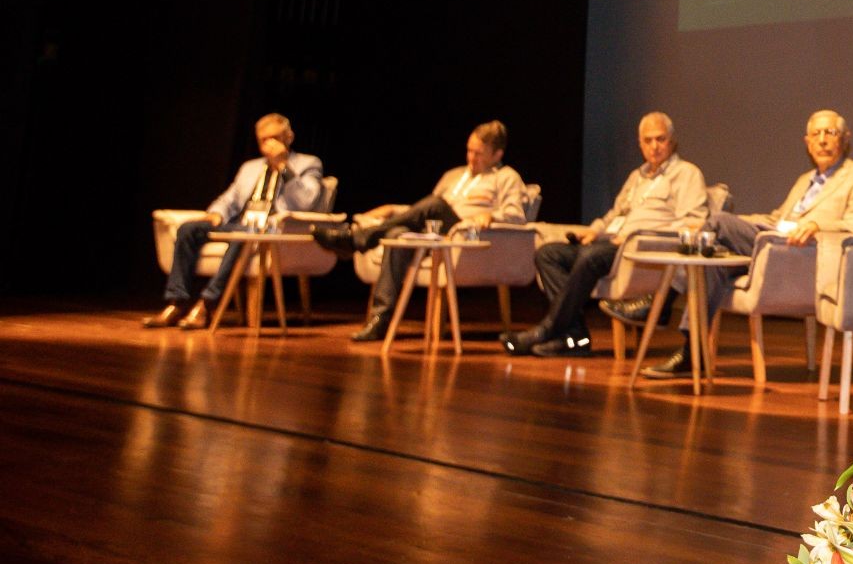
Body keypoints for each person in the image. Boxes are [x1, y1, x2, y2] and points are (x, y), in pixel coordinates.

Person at [624, 108, 853, 379]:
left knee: (717, 222)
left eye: (830, 133)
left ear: (845, 138)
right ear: (807, 142)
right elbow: (775, 219)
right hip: (775, 245)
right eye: (816, 134)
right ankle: (692, 351)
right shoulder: (805, 180)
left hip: (804, 254)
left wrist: (818, 225)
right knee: (712, 263)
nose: (823, 140)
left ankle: (661, 302)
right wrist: (740, 222)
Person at [502, 111, 706, 358]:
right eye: (648, 140)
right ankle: (575, 334)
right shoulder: (637, 177)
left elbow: (693, 222)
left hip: (637, 248)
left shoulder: (686, 174)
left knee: (590, 257)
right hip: (611, 243)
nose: (654, 146)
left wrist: (636, 235)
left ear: (672, 142)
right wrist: (596, 230)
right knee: (548, 254)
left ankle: (546, 330)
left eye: (660, 139)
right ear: (640, 144)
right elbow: (615, 214)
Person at [312, 120, 528, 342]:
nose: (471, 158)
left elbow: (516, 214)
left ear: (497, 154)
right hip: (432, 233)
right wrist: (394, 209)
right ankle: (380, 320)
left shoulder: (507, 177)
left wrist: (492, 216)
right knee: (396, 235)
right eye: (469, 151)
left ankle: (354, 239)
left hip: (462, 237)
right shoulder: (453, 175)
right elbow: (421, 212)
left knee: (436, 204)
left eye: (479, 153)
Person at [143, 112, 325, 331]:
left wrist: (284, 167)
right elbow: (229, 198)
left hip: (272, 228)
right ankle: (176, 302)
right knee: (188, 229)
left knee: (243, 234)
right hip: (241, 222)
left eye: (275, 138)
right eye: (264, 140)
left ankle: (207, 304)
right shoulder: (250, 167)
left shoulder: (308, 163)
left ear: (289, 137)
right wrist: (217, 213)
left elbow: (306, 202)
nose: (269, 144)